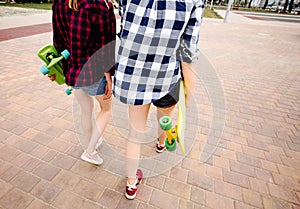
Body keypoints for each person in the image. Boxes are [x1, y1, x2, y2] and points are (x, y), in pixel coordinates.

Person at [114, 0, 204, 200]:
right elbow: (188, 51)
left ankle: (131, 184)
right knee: (165, 117)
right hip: (167, 75)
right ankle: (161, 144)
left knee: (135, 131)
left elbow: (124, 25)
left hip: (134, 72)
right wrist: (188, 96)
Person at [52, 0, 116, 165]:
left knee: (86, 109)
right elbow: (106, 45)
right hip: (93, 71)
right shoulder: (101, 5)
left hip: (71, 70)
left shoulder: (59, 2)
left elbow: (58, 40)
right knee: (106, 110)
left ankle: (93, 144)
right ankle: (90, 151)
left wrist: (58, 68)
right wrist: (109, 74)